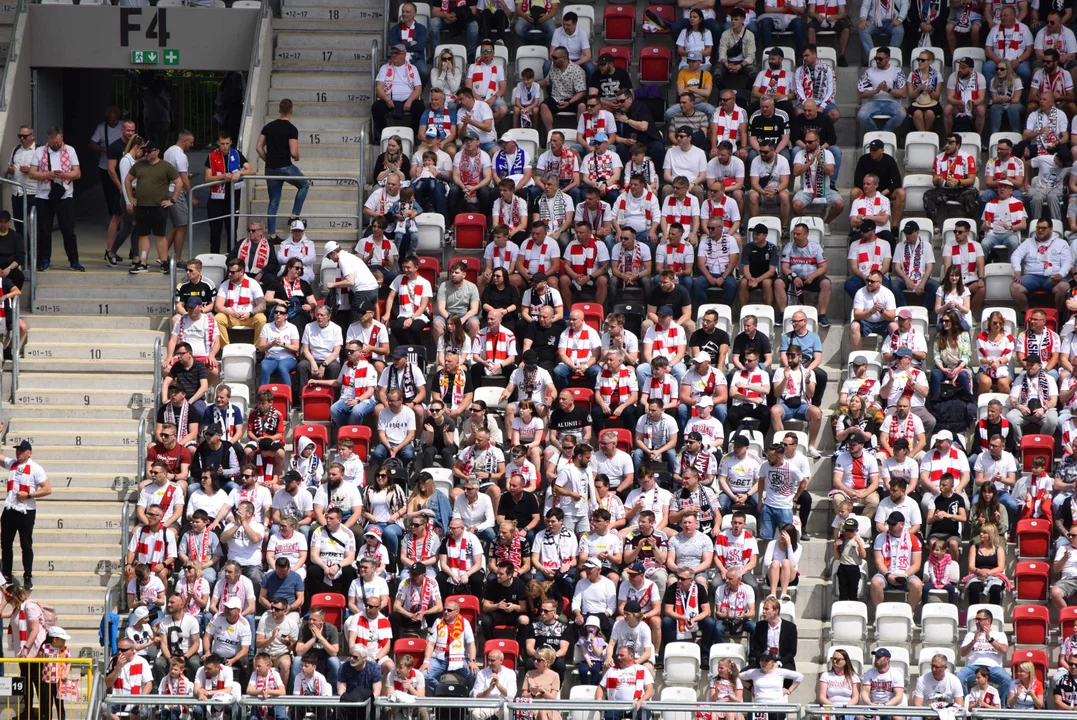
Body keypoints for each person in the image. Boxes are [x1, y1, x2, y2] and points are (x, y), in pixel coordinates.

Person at [29, 127, 81, 272]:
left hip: (65, 195)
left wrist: (64, 174)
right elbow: (32, 173)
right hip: (44, 196)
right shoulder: (39, 152)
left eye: (58, 142)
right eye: (53, 143)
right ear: (48, 140)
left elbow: (77, 173)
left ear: (62, 137)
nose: (56, 145)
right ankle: (44, 259)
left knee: (68, 229)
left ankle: (74, 260)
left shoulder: (70, 150)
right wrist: (47, 175)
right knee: (44, 230)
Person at [256, 100, 308, 237]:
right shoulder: (291, 129)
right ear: (291, 110)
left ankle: (272, 235)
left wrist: (268, 159)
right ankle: (294, 215)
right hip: (285, 167)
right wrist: (297, 157)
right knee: (304, 185)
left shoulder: (268, 127)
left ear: (279, 110)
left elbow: (259, 147)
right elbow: (293, 152)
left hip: (270, 169)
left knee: (273, 202)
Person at [956, 608, 1012, 699]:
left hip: (993, 667)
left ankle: (1001, 707)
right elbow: (962, 653)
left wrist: (990, 640)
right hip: (974, 667)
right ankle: (966, 704)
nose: (977, 622)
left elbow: (1004, 650)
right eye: (976, 619)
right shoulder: (970, 634)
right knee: (959, 678)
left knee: (1007, 680)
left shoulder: (999, 634)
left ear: (988, 621)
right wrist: (974, 640)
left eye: (979, 619)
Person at [871, 511, 923, 607]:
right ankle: (878, 612)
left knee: (917, 584)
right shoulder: (880, 537)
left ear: (902, 524)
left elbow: (916, 564)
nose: (890, 527)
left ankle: (909, 613)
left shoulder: (913, 539)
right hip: (886, 573)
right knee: (875, 582)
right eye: (889, 524)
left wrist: (905, 575)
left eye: (893, 524)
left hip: (905, 574)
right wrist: (888, 575)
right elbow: (878, 561)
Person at [925, 134, 979, 225]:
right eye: (946, 142)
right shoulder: (939, 158)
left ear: (957, 145)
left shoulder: (967, 158)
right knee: (928, 196)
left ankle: (968, 225)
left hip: (962, 189)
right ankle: (934, 226)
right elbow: (934, 181)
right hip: (944, 189)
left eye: (950, 143)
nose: (946, 145)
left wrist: (958, 182)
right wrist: (937, 181)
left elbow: (971, 180)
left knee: (972, 196)